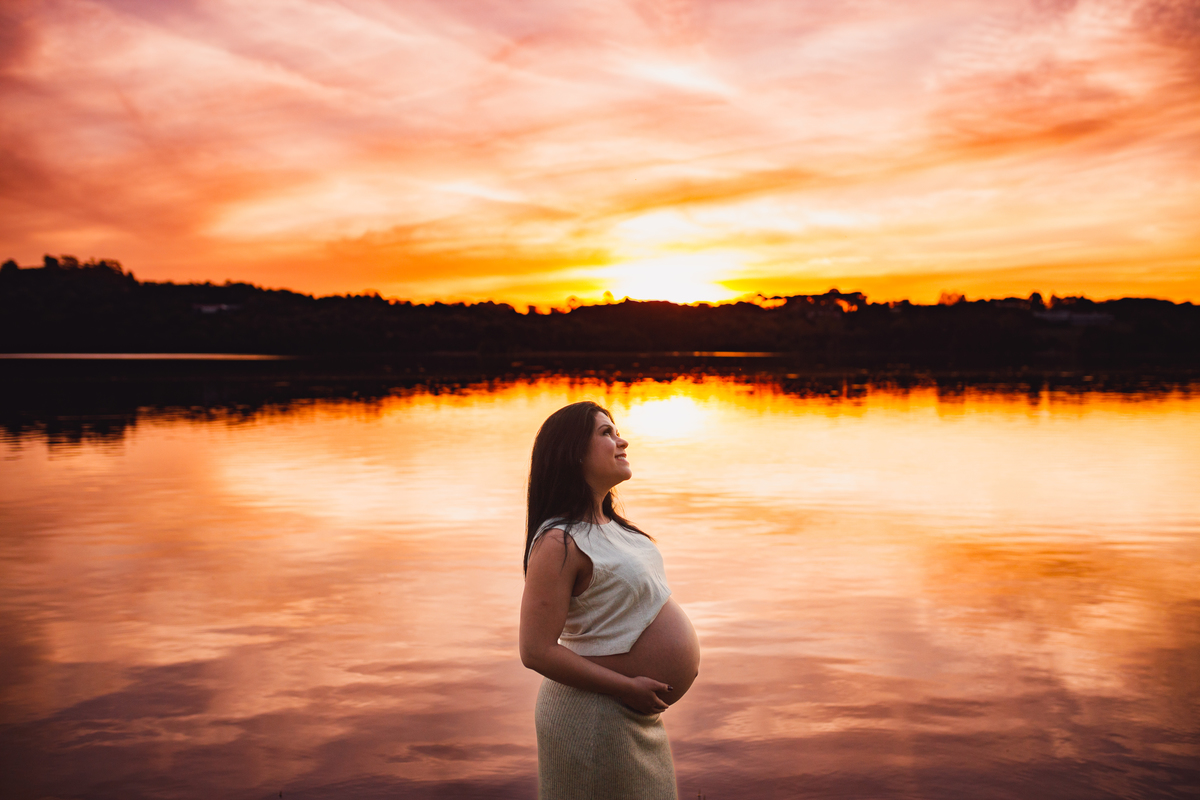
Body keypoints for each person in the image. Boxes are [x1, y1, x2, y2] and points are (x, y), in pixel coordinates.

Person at [519, 401, 701, 800]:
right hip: (594, 717)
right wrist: (626, 687)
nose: (622, 441)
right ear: (573, 453)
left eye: (616, 432)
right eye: (606, 433)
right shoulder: (558, 541)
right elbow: (535, 650)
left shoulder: (615, 527)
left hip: (633, 715)